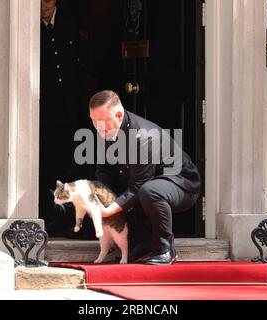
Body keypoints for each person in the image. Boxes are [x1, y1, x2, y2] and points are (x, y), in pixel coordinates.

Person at [89, 90, 201, 265]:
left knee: (150, 191)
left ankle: (165, 249)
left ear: (118, 115)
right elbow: (104, 171)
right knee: (119, 190)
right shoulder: (105, 130)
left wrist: (108, 210)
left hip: (182, 185)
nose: (97, 127)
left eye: (101, 121)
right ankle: (144, 244)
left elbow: (139, 185)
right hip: (147, 184)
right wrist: (100, 198)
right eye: (93, 121)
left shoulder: (144, 136)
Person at [39, 0, 81, 237]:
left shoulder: (70, 26)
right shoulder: (34, 29)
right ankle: (49, 216)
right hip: (44, 111)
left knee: (69, 166)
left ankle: (69, 220)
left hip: (68, 111)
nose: (42, 6)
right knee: (46, 165)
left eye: (46, 0)